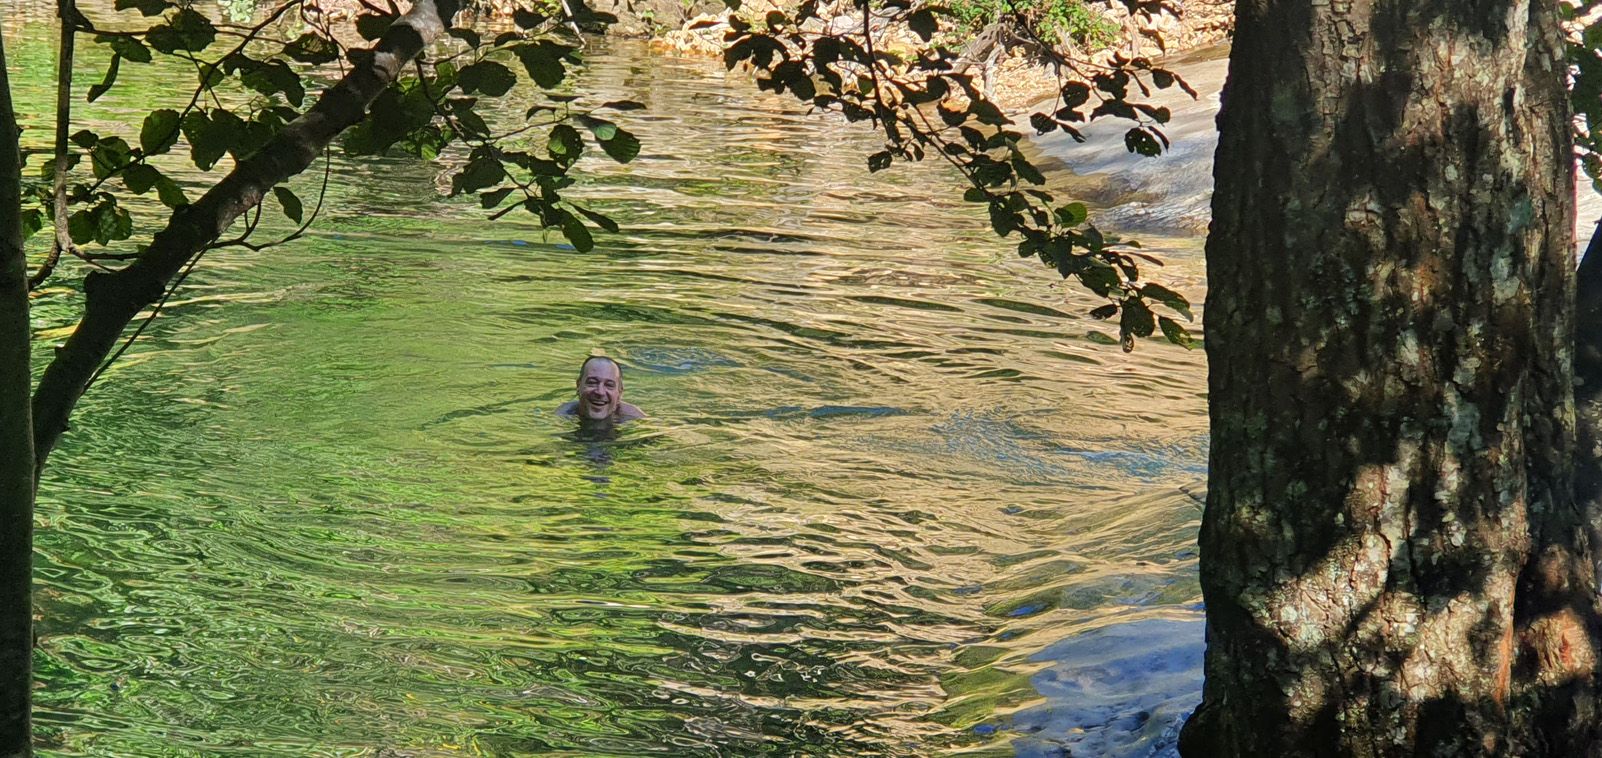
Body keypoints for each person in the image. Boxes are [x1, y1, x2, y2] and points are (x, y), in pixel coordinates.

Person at [557, 356, 645, 423]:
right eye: (592, 382)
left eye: (609, 385)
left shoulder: (635, 419)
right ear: (578, 386)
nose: (600, 392)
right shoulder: (561, 416)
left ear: (620, 393)